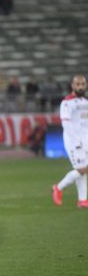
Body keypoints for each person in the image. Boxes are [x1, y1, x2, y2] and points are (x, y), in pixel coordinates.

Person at [52, 74, 88, 208]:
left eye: (82, 84)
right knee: (82, 169)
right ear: (72, 86)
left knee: (82, 169)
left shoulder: (85, 102)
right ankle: (58, 187)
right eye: (77, 84)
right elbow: (66, 124)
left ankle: (82, 200)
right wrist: (77, 141)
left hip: (86, 141)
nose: (80, 87)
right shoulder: (67, 102)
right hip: (74, 141)